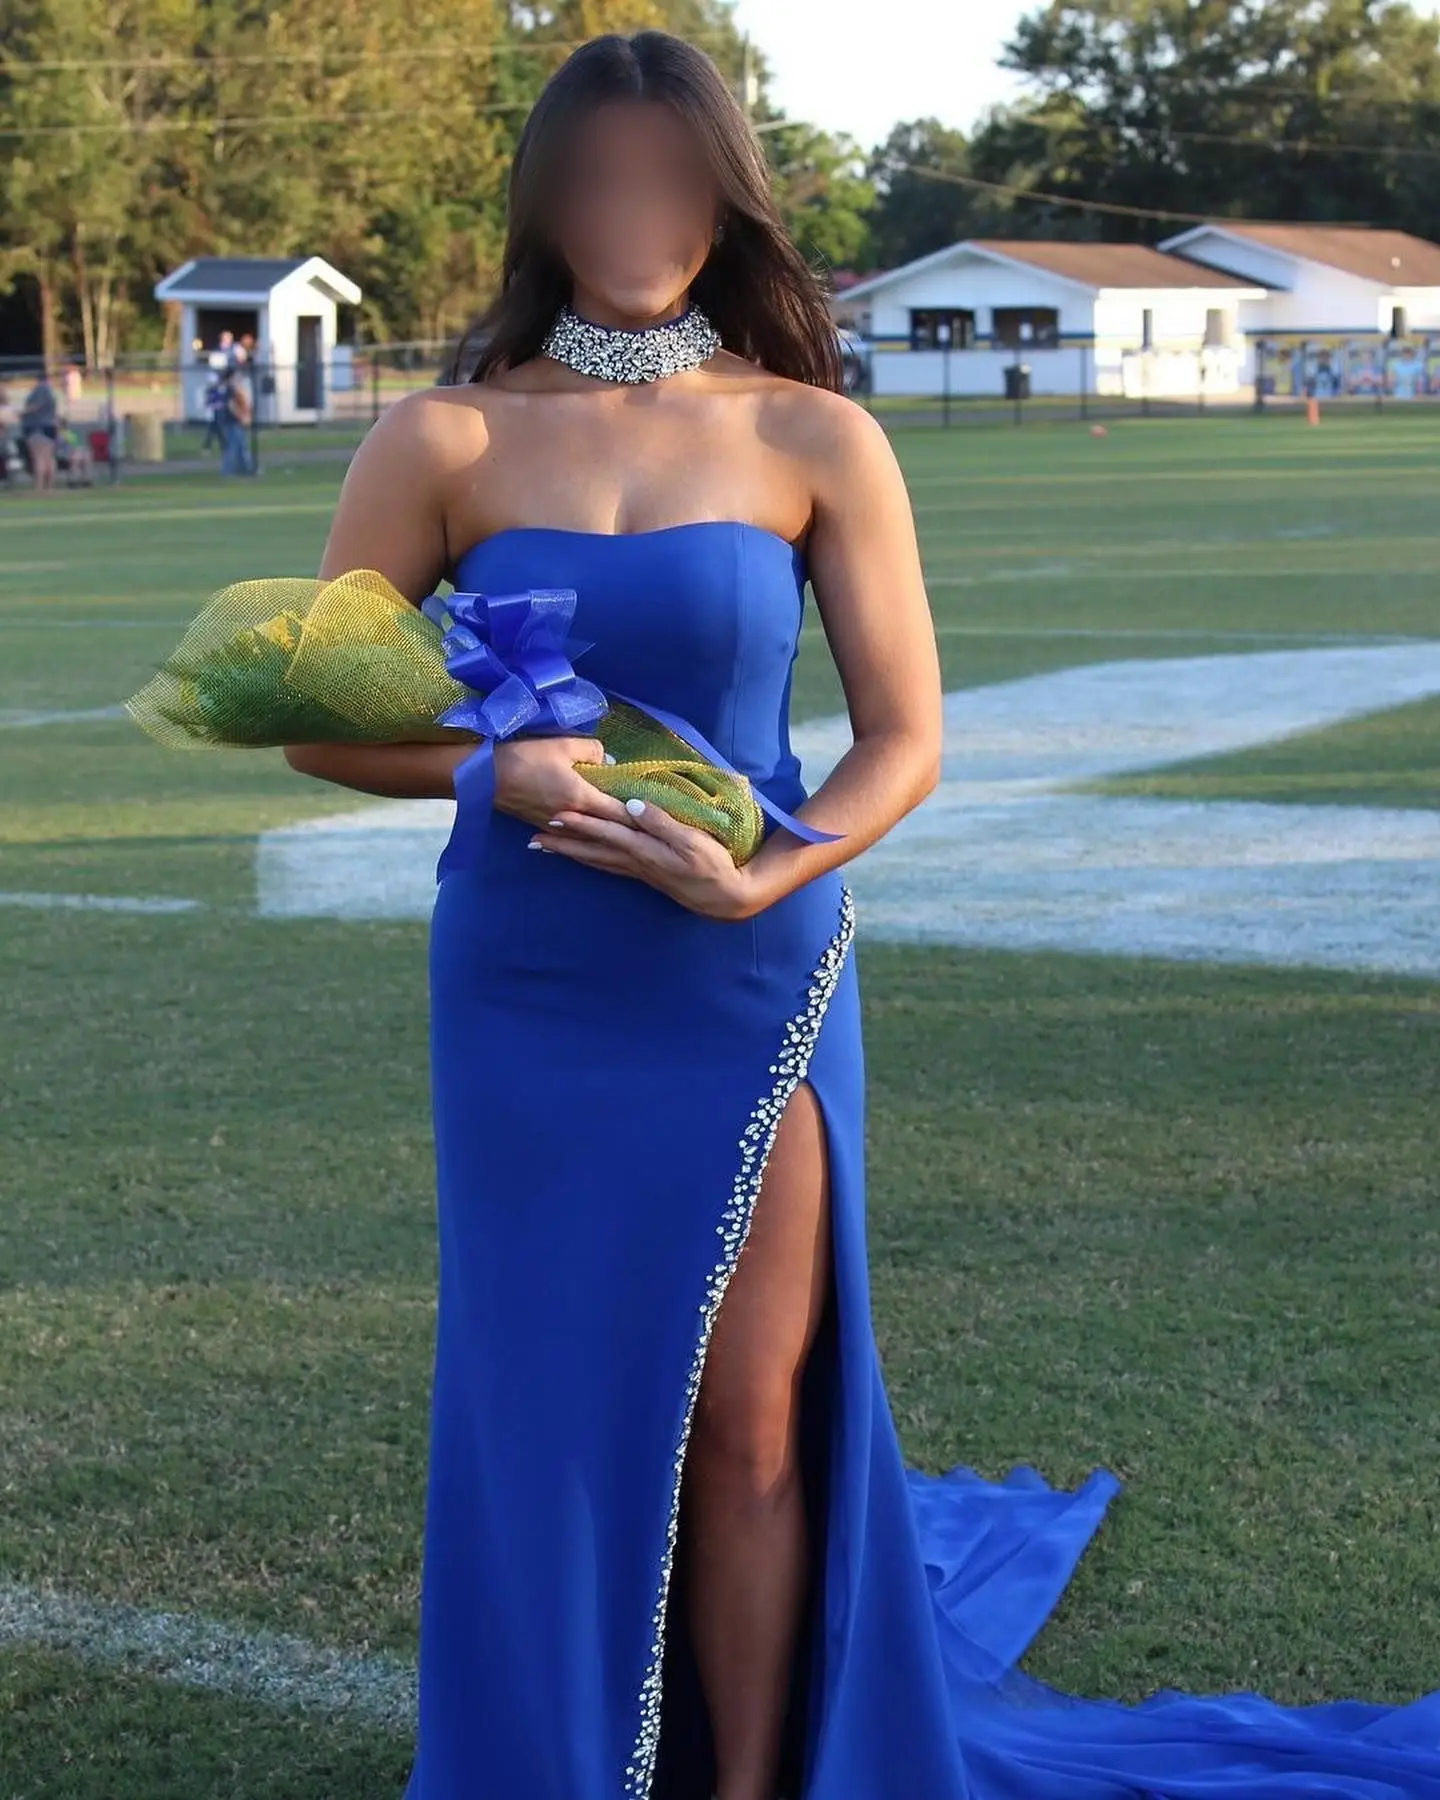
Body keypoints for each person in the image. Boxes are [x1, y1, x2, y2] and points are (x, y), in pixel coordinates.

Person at [281, 31, 1440, 1800]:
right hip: (526, 980)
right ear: (545, 200)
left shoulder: (814, 430)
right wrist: (484, 774)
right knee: (551, 1417)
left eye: (668, 177)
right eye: (595, 178)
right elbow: (313, 712)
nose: (632, 213)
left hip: (754, 966)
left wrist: (771, 868)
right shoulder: (443, 431)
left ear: (722, 193)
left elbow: (905, 740)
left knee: (754, 1425)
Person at [20, 368, 59, 492]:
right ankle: (50, 486)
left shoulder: (41, 389)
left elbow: (36, 406)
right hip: (49, 425)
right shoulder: (50, 391)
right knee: (49, 457)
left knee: (39, 457)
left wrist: (22, 412)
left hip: (38, 427)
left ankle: (39, 486)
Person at [218, 363, 253, 475]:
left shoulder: (233, 390)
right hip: (232, 422)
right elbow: (231, 406)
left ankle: (245, 469)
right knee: (233, 448)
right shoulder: (230, 390)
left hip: (233, 422)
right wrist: (242, 417)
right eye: (236, 376)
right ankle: (227, 471)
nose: (239, 378)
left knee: (241, 447)